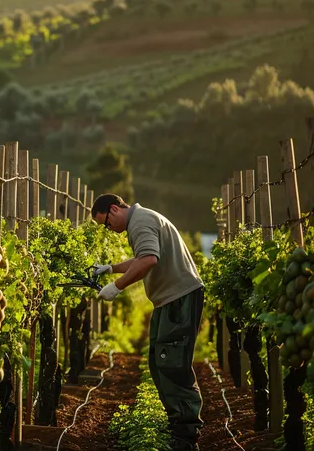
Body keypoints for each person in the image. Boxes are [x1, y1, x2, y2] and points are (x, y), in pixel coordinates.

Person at [91, 193, 205, 451]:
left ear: (113, 209)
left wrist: (116, 287)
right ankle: (179, 426)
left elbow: (148, 260)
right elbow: (144, 256)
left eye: (106, 224)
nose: (109, 230)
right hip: (170, 300)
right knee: (159, 361)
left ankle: (186, 436)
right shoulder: (142, 219)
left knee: (173, 364)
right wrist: (111, 268)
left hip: (179, 298)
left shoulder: (140, 222)